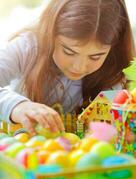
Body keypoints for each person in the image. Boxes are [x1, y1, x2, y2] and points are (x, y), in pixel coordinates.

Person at [0, 0, 135, 135]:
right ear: (50, 33)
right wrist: (16, 106)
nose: (79, 67)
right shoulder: (26, 48)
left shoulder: (114, 69)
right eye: (69, 52)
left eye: (95, 57)